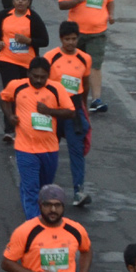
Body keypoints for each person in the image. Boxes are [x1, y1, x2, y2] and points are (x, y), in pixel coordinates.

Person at [1, 58, 75, 218]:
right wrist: (9, 116)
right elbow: (4, 98)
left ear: (48, 75)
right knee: (31, 189)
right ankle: (34, 225)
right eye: (35, 76)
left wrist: (50, 111)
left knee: (44, 189)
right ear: (28, 74)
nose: (39, 80)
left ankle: (38, 214)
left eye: (43, 77)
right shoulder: (17, 85)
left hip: (49, 149)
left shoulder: (56, 89)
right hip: (25, 148)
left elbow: (70, 111)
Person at [57, 0, 115, 113]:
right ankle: (71, 97)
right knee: (76, 65)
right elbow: (61, 4)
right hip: (76, 35)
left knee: (95, 64)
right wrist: (77, 1)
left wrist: (111, 15)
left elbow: (110, 1)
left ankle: (96, 99)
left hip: (98, 33)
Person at [44, 22, 93, 208]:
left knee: (76, 150)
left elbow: (85, 84)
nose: (71, 43)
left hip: (74, 109)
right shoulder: (51, 57)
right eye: (67, 39)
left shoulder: (85, 59)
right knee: (50, 150)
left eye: (74, 39)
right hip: (54, 109)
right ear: (61, 39)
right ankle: (46, 189)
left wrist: (84, 108)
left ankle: (78, 191)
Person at [0, 0, 50, 120]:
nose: (20, 2)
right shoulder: (4, 15)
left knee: (23, 94)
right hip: (6, 59)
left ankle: (23, 122)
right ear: (13, 1)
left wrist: (28, 40)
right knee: (10, 92)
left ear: (29, 2)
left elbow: (44, 40)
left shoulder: (33, 18)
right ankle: (9, 128)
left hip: (27, 64)